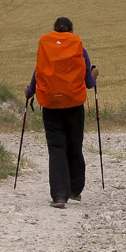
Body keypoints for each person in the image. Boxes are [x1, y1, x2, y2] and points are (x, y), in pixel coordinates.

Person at [26, 17, 98, 209]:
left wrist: (29, 92)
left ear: (54, 30)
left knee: (57, 149)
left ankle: (59, 196)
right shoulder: (79, 49)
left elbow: (38, 73)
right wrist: (94, 75)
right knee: (74, 145)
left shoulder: (46, 49)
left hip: (51, 106)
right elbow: (89, 83)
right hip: (74, 106)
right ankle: (75, 190)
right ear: (71, 31)